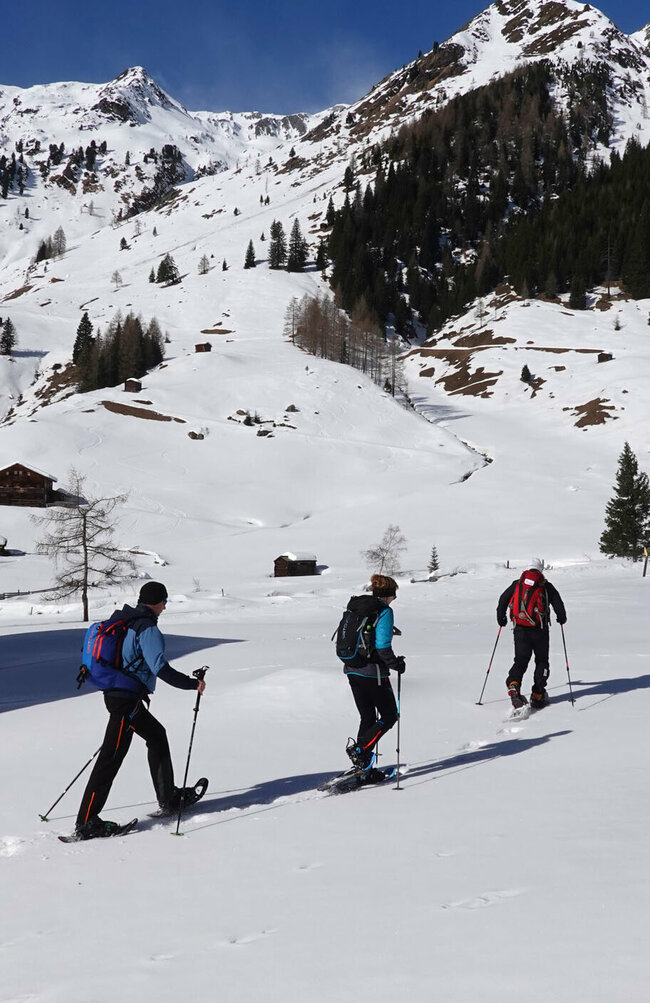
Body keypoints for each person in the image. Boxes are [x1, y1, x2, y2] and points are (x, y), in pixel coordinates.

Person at [74, 581, 206, 840]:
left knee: (156, 735)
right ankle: (87, 821)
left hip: (119, 696)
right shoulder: (147, 629)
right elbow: (161, 669)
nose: (165, 606)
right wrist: (193, 684)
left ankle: (168, 796)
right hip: (125, 701)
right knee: (110, 759)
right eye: (164, 601)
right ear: (156, 602)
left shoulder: (127, 620)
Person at [344, 573, 405, 774]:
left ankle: (363, 768)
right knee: (389, 715)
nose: (394, 599)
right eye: (394, 595)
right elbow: (382, 646)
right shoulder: (384, 611)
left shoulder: (358, 607)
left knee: (368, 717)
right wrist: (396, 664)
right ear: (388, 595)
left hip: (352, 669)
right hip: (374, 672)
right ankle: (361, 751)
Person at [496, 559, 566, 709]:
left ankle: (514, 684)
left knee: (520, 660)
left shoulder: (517, 584)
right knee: (542, 661)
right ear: (541, 570)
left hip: (520, 629)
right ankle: (538, 694)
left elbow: (503, 600)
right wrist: (561, 617)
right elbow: (558, 604)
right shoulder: (546, 586)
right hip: (540, 630)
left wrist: (501, 617)